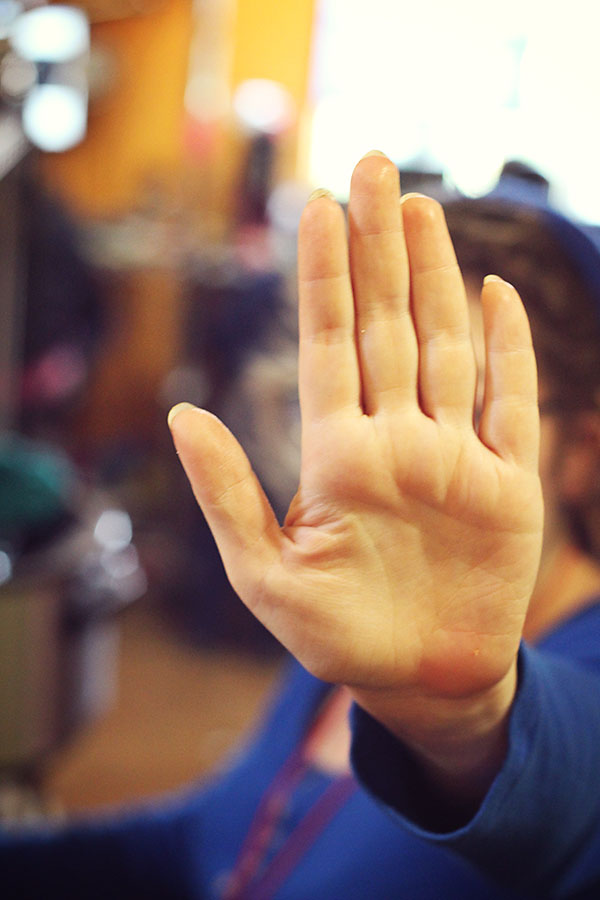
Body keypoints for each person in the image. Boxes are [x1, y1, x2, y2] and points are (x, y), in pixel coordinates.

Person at [3, 150, 600, 898]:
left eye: (453, 405)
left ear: (583, 453)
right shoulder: (365, 618)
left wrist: (466, 719)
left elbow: (569, 806)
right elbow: (208, 845)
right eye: (375, 394)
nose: (399, 450)